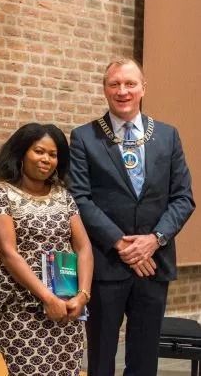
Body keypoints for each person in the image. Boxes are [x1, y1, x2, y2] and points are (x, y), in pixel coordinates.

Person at [69, 58, 195, 375]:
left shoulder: (167, 136)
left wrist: (154, 240)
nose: (122, 91)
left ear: (143, 88)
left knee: (144, 361)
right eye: (114, 84)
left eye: (130, 84)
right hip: (106, 265)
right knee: (100, 360)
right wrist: (121, 243)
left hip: (154, 264)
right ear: (104, 89)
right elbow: (79, 198)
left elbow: (183, 198)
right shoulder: (84, 137)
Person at [0, 123, 93, 375]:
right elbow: (8, 253)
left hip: (66, 305)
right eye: (39, 151)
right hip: (22, 305)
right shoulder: (0, 195)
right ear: (21, 152)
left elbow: (83, 248)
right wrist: (47, 298)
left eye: (53, 154)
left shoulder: (64, 196)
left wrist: (82, 296)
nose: (46, 159)